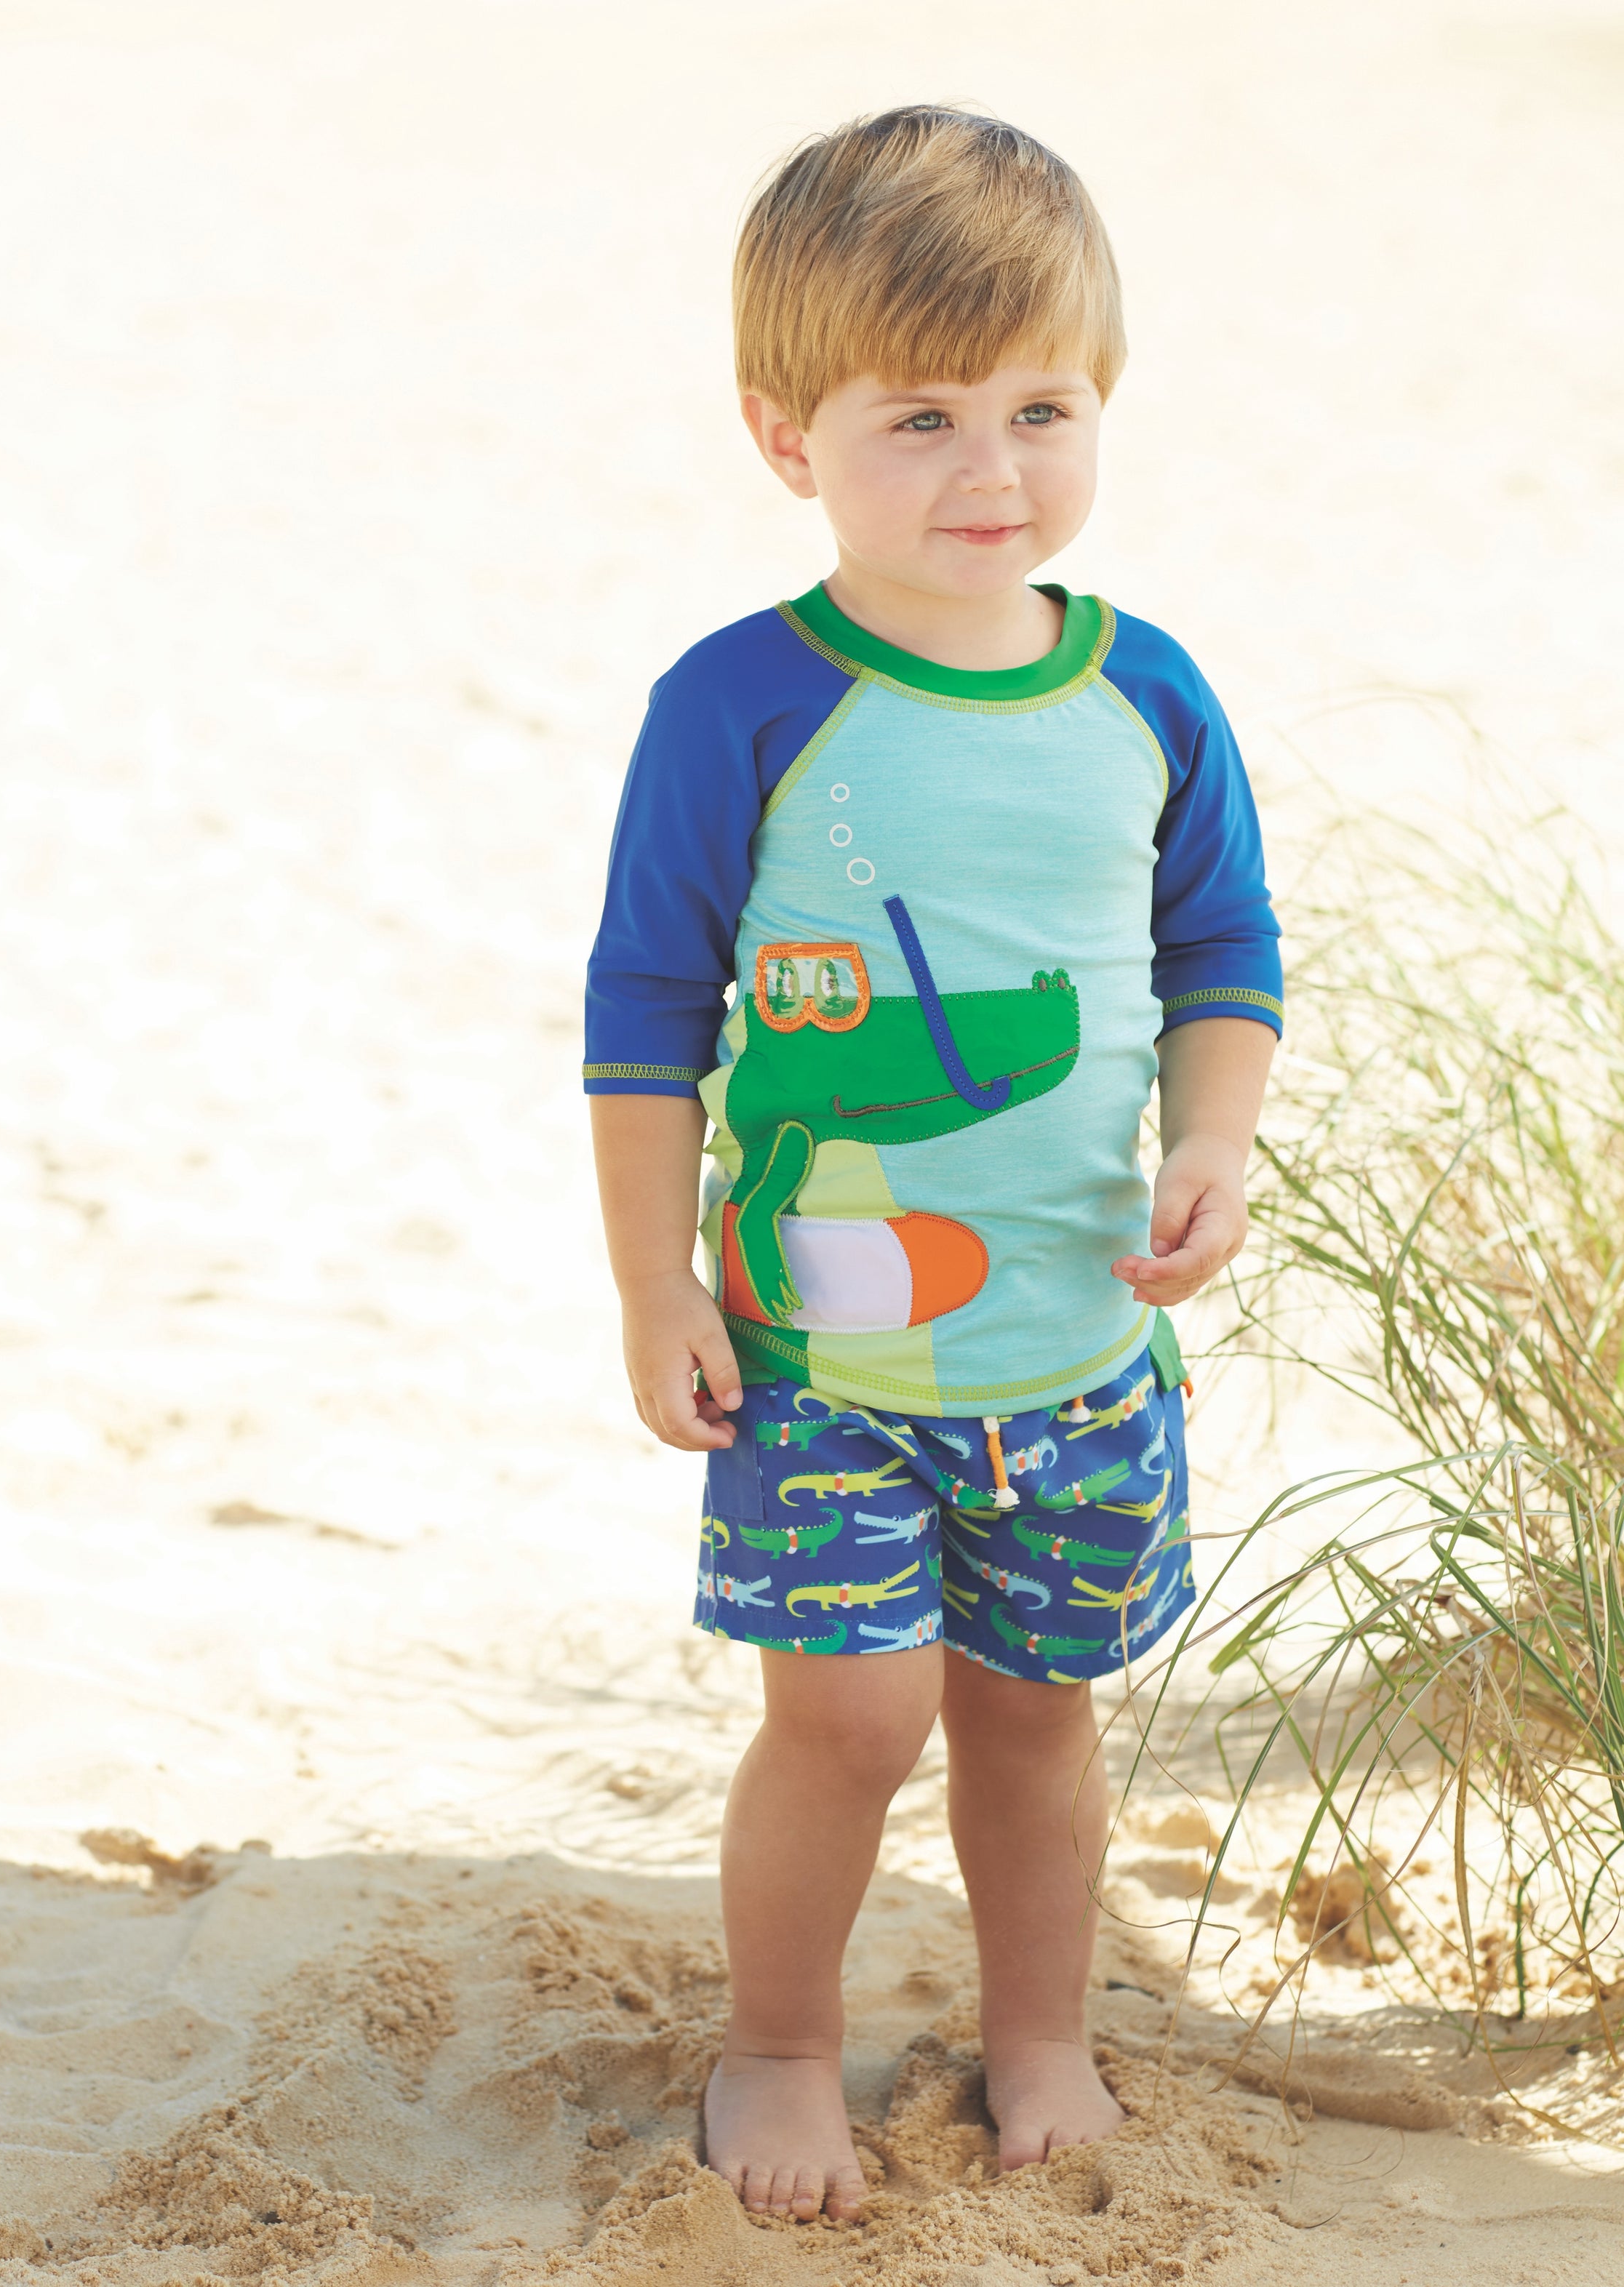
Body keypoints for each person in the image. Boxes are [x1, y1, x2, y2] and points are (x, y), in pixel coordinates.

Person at [584, 105, 1280, 2226]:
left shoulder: (1146, 692)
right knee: (852, 1719)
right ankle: (779, 2043)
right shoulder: (742, 703)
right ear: (783, 434)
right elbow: (646, 1016)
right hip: (820, 1364)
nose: (992, 471)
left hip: (1077, 1349)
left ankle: (1039, 2031)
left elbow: (1221, 952)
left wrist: (1215, 1137)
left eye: (1040, 410)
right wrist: (652, 1284)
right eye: (921, 419)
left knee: (1037, 1716)